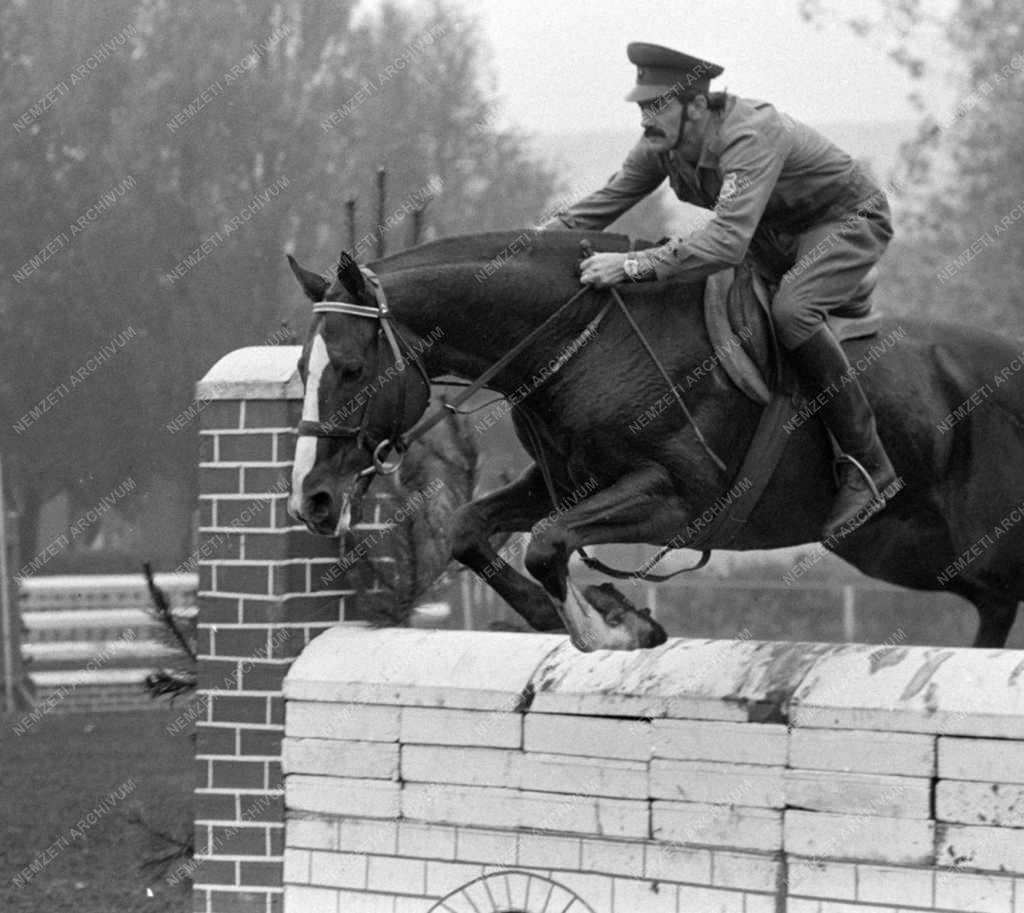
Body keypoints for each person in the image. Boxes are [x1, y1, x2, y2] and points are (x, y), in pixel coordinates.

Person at [540, 42, 898, 541]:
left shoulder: (750, 135)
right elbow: (600, 205)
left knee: (792, 312)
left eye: (658, 105)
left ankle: (868, 464)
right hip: (771, 237)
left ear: (697, 105)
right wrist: (522, 250)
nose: (647, 118)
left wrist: (634, 265)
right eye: (643, 106)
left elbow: (727, 243)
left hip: (842, 221)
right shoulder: (659, 148)